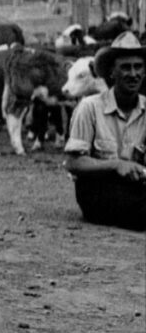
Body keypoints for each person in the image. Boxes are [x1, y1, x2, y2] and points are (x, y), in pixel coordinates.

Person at [63, 31, 146, 230]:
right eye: (125, 67)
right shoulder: (89, 108)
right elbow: (73, 162)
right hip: (97, 189)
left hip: (136, 188)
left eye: (138, 67)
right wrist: (115, 165)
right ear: (112, 73)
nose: (133, 74)